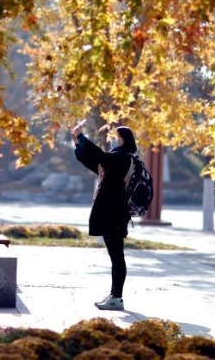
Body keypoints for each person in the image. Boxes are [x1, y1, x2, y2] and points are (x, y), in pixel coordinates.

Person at [71, 120, 137, 311]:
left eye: (117, 138)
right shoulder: (114, 161)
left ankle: (117, 297)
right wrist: (77, 142)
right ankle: (114, 296)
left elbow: (100, 155)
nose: (114, 141)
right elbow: (91, 161)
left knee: (117, 257)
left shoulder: (123, 159)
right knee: (115, 256)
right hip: (112, 215)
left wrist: (82, 136)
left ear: (124, 140)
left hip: (115, 215)